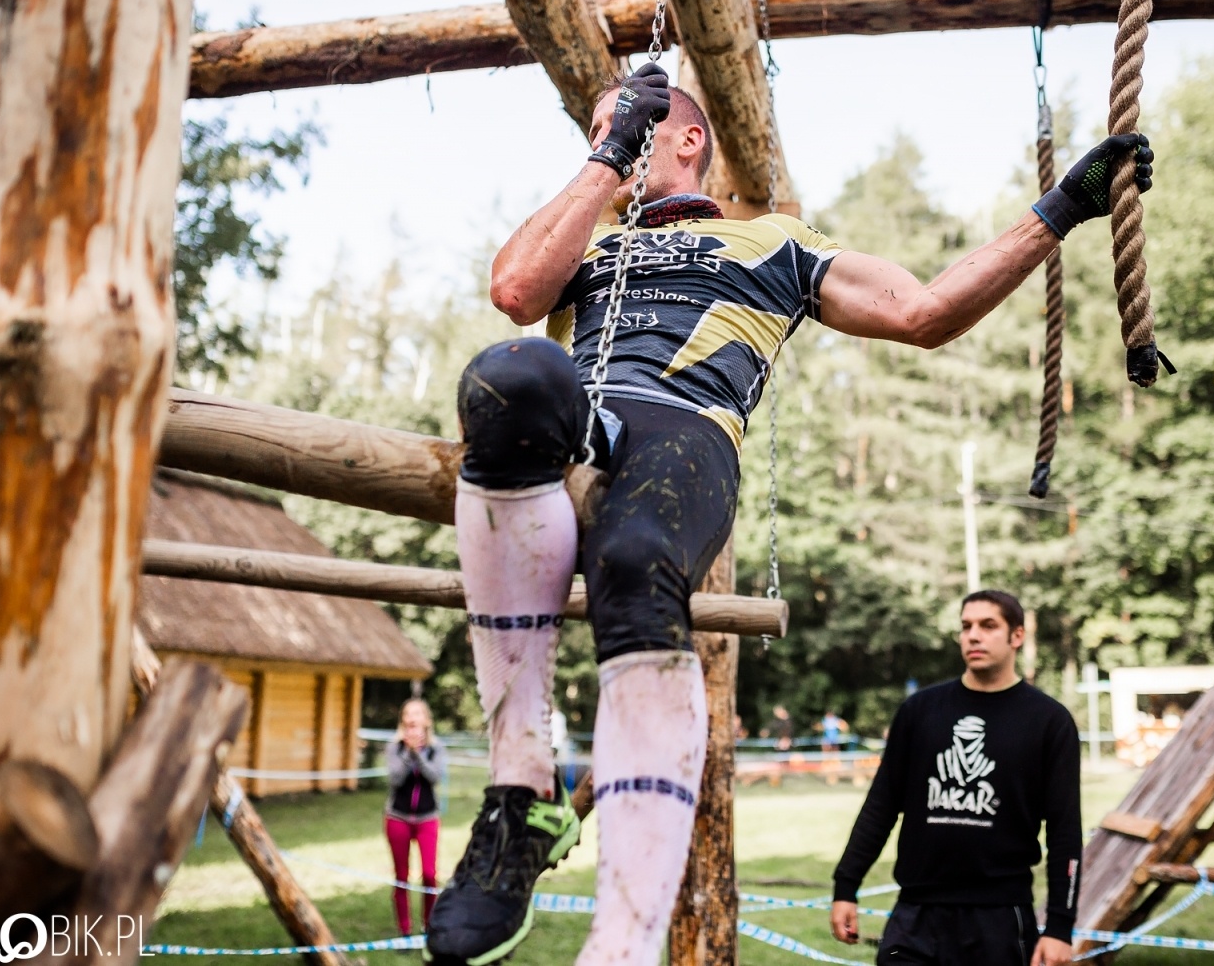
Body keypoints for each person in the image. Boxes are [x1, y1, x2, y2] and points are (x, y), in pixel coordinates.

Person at [427, 62, 1149, 966]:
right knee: (512, 375)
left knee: (635, 557)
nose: (603, 149)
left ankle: (625, 942)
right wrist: (611, 153)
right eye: (597, 136)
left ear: (688, 138)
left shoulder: (777, 242)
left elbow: (924, 311)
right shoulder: (591, 239)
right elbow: (515, 294)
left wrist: (1060, 211)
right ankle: (520, 790)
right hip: (583, 421)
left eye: (631, 127)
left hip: (685, 432)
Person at [829, 591, 1081, 966]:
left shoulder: (1048, 721)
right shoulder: (920, 711)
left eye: (988, 625)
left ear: (1017, 636)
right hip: (913, 918)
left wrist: (1060, 926)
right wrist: (846, 886)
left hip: (999, 919)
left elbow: (1064, 831)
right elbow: (881, 805)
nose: (973, 636)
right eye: (966, 626)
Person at [386, 697, 447, 940]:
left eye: (417, 713)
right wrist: (408, 753)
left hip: (427, 819)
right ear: (403, 720)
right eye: (408, 714)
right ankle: (404, 930)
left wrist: (419, 755)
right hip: (397, 818)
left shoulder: (437, 748)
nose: (412, 718)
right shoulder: (394, 748)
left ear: (426, 720)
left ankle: (428, 925)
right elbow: (395, 779)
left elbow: (434, 777)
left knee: (430, 874)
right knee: (401, 876)